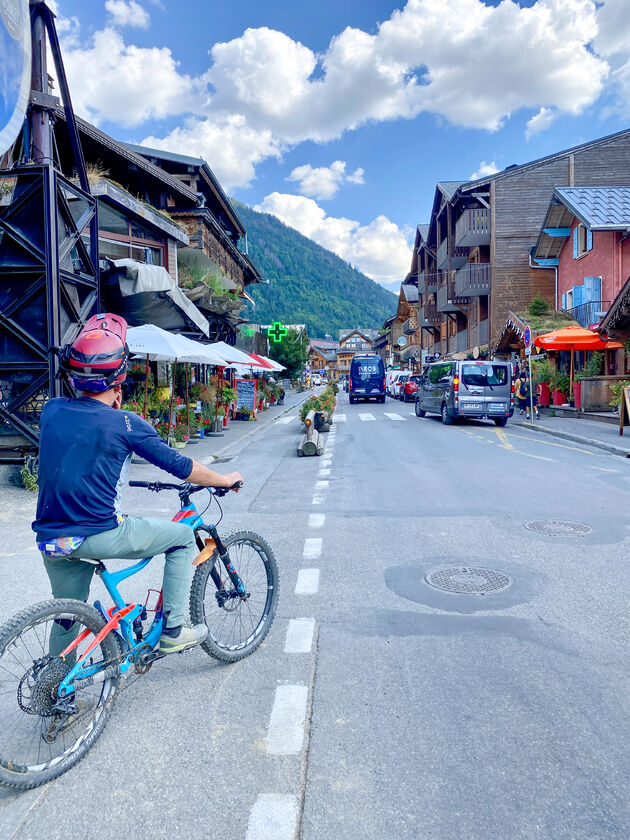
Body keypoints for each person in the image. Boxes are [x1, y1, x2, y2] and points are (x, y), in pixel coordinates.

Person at [33, 313, 243, 656]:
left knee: (69, 613)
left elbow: (79, 433)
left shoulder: (52, 411)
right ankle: (174, 630)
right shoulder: (126, 423)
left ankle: (57, 693)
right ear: (120, 381)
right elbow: (181, 466)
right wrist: (224, 479)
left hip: (51, 537)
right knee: (178, 538)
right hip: (98, 533)